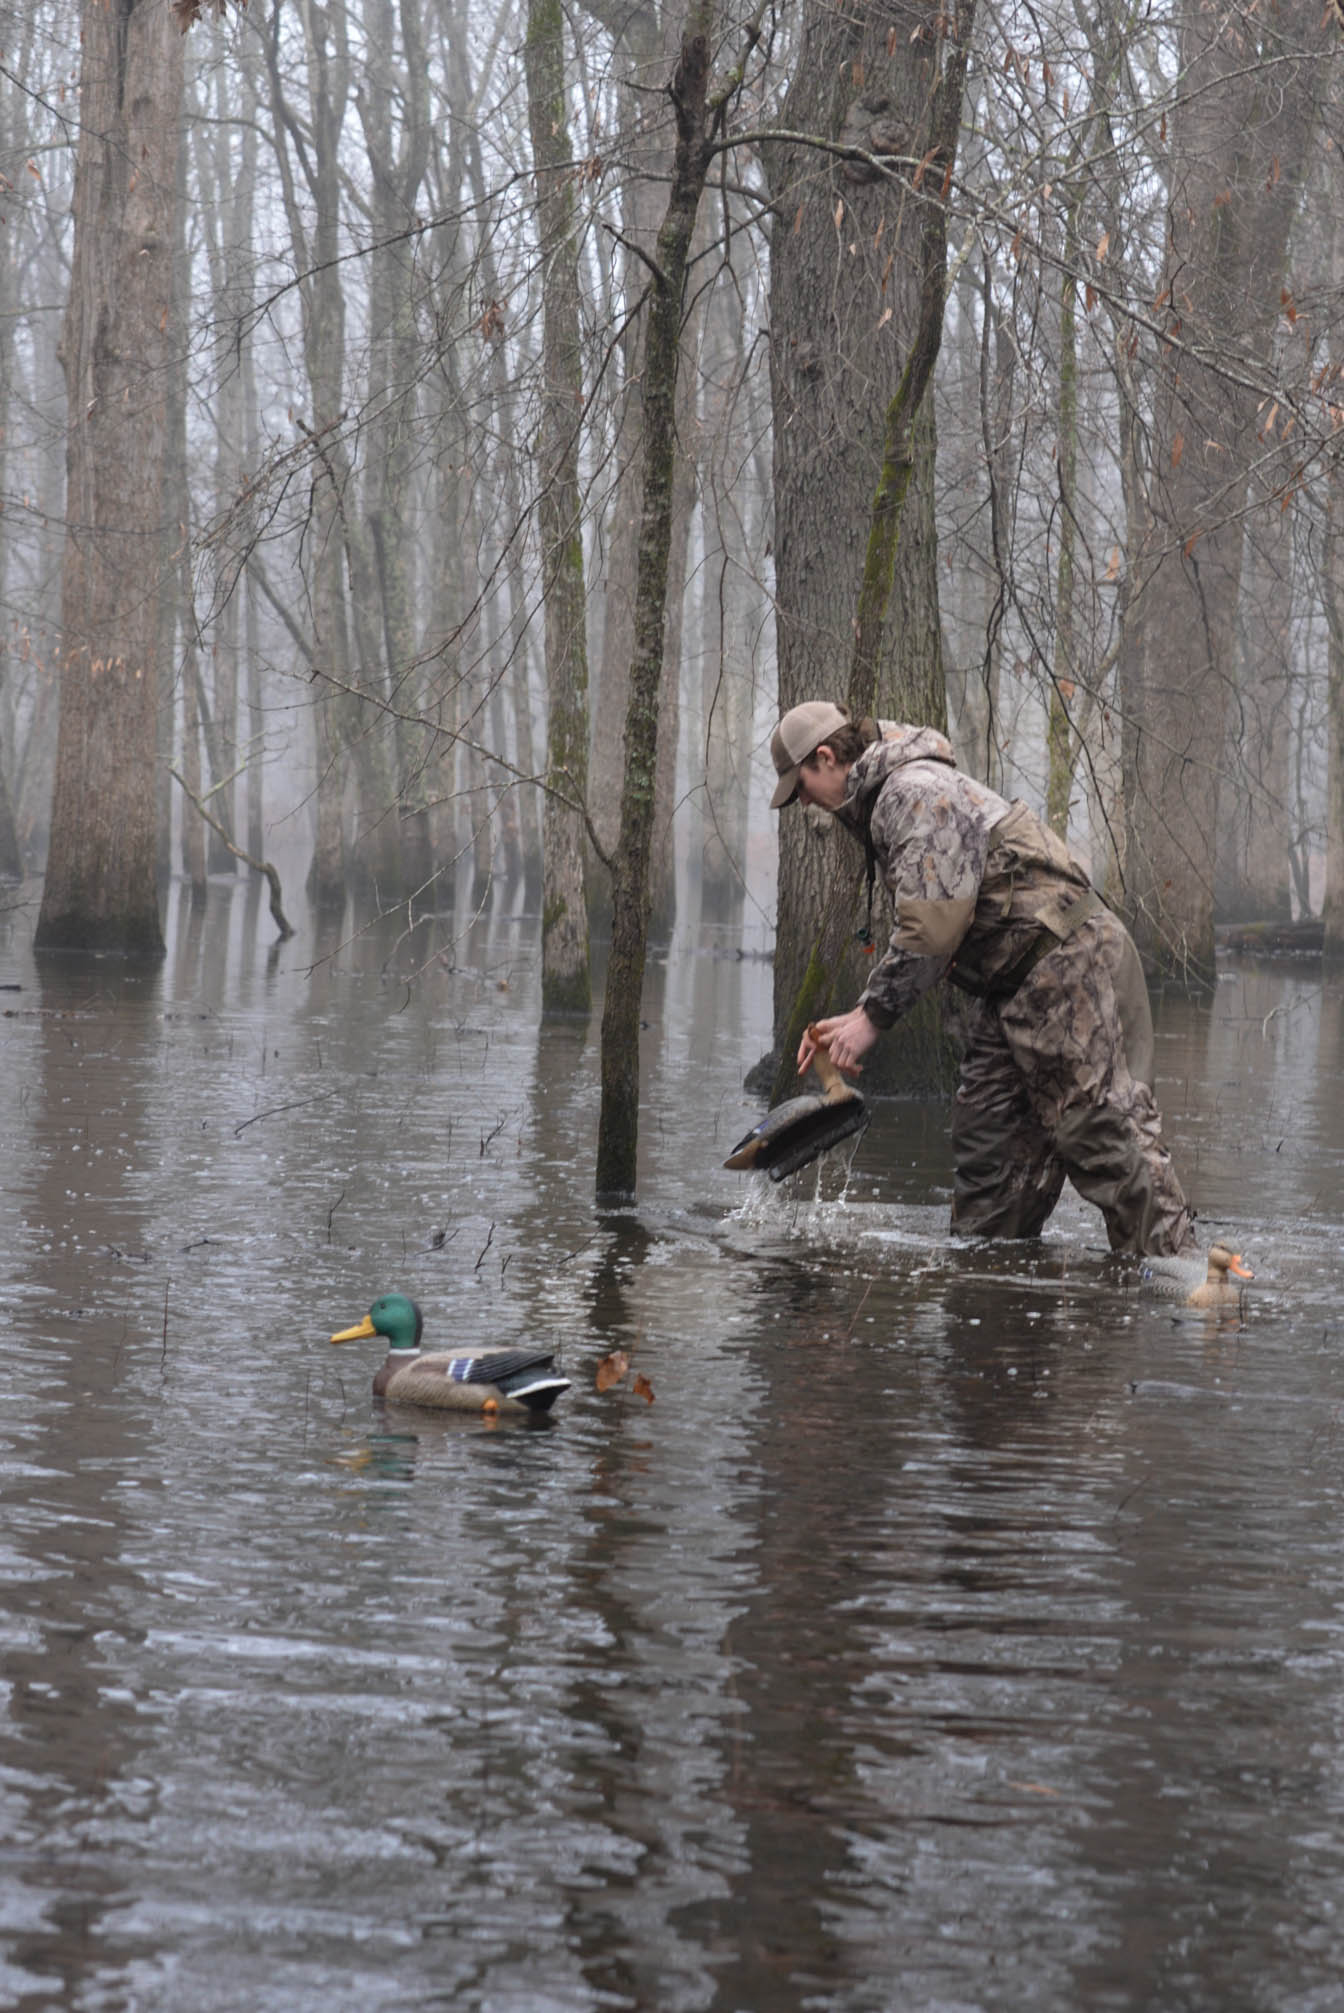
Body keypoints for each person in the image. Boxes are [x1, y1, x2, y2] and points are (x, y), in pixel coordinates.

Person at [769, 700, 1198, 1257]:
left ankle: (1186, 1283)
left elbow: (932, 927)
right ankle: (992, 1302)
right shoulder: (893, 800)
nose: (803, 802)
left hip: (1067, 964)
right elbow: (938, 923)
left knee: (1102, 1133)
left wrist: (872, 1019)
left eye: (799, 786)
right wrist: (854, 1016)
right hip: (1011, 988)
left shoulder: (912, 793)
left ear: (825, 758)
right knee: (990, 1158)